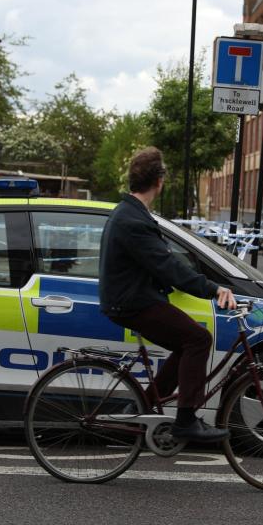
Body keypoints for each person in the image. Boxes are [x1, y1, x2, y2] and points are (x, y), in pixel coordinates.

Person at [98, 147, 236, 443]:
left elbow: (163, 261)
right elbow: (169, 266)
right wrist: (213, 289)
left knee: (186, 344)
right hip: (133, 302)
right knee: (198, 339)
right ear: (159, 181)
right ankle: (185, 420)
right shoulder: (133, 220)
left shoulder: (130, 213)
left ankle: (143, 407)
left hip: (133, 298)